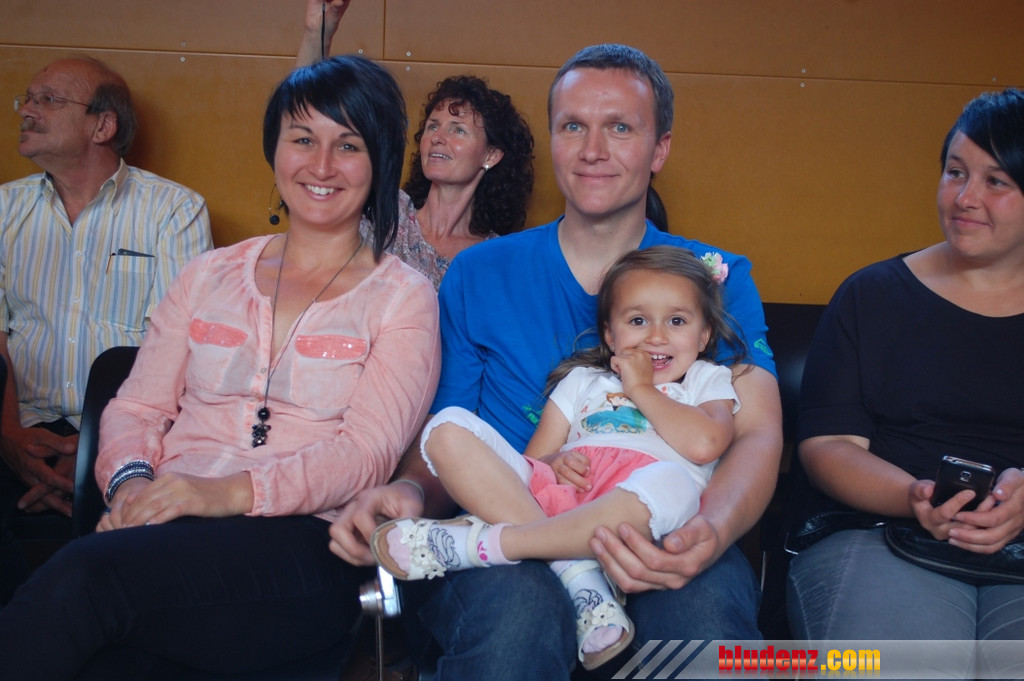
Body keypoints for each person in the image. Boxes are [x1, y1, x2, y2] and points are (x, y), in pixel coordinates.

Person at [328, 43, 781, 680]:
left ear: (659, 149)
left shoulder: (714, 276)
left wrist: (714, 529)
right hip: (507, 516)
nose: (592, 150)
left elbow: (757, 432)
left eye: (619, 128)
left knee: (702, 624)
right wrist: (406, 492)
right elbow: (446, 428)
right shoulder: (479, 272)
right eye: (573, 126)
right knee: (518, 620)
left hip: (666, 518)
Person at [0, 55, 440, 679]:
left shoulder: (402, 297)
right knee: (106, 659)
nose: (320, 166)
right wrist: (132, 489)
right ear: (274, 148)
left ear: (381, 161)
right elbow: (137, 408)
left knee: (83, 578)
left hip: (303, 546)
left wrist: (224, 494)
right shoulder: (209, 274)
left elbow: (363, 455)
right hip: (167, 526)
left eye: (348, 145)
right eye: (302, 139)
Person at [372, 246, 745, 670]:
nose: (656, 336)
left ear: (704, 336)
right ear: (610, 335)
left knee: (673, 481)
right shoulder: (583, 381)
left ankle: (485, 545)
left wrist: (640, 388)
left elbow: (705, 444)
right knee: (447, 426)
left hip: (640, 520)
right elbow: (533, 462)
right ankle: (577, 573)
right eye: (638, 321)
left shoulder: (705, 380)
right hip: (560, 505)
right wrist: (554, 464)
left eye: (677, 321)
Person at [787, 88, 1024, 659]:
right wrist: (914, 497)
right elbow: (828, 446)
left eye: (996, 181)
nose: (965, 198)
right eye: (955, 172)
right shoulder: (871, 295)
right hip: (878, 534)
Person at [0, 56, 212, 597]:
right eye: (28, 98)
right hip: (17, 427)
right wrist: (10, 440)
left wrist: (97, 447)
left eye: (48, 100)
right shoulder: (4, 209)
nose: (27, 111)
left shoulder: (174, 211)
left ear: (103, 125)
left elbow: (178, 354)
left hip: (131, 435)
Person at [296, 0, 534, 289]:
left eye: (458, 130)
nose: (437, 137)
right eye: (433, 126)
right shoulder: (385, 211)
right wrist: (317, 32)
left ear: (492, 155)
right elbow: (304, 127)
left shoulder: (497, 258)